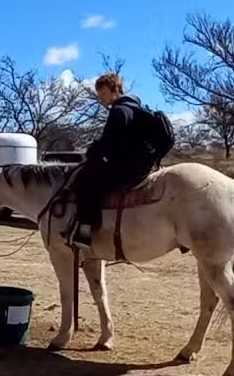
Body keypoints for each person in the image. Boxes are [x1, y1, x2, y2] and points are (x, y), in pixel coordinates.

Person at [70, 72, 172, 249]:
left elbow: (109, 144)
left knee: (86, 179)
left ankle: (84, 230)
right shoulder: (136, 109)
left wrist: (92, 151)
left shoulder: (119, 111)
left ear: (114, 90)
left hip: (127, 169)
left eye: (103, 93)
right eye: (99, 94)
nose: (100, 98)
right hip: (142, 166)